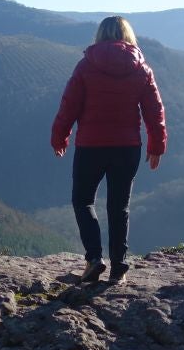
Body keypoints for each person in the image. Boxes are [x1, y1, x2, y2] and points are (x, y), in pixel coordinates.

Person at [51, 15, 166, 283]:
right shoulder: (142, 69)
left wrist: (60, 137)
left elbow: (69, 105)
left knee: (83, 200)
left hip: (91, 146)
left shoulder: (85, 67)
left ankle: (93, 259)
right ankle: (119, 267)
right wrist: (157, 144)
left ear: (99, 35)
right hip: (127, 148)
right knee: (119, 206)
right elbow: (154, 110)